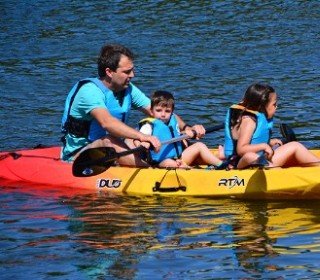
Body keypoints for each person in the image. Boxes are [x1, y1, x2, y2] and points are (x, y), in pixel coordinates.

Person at [61, 44, 205, 166]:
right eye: (127, 71)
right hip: (80, 154)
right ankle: (152, 168)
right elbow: (107, 123)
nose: (132, 75)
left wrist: (186, 128)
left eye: (132, 70)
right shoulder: (90, 91)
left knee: (142, 133)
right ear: (109, 72)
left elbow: (156, 111)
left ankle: (178, 158)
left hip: (113, 150)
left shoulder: (127, 88)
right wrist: (143, 137)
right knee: (113, 140)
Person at [224, 83, 320, 169]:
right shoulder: (248, 121)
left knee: (295, 146)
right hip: (242, 163)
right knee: (250, 156)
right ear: (261, 106)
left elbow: (253, 141)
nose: (276, 106)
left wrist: (270, 142)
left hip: (261, 159)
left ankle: (317, 167)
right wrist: (264, 146)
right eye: (274, 104)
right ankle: (275, 173)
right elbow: (241, 149)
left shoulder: (256, 118)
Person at [134, 90, 226, 169]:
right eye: (158, 110)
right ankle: (187, 169)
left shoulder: (173, 121)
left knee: (199, 145)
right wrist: (142, 144)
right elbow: (138, 139)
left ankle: (221, 165)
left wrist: (186, 135)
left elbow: (177, 135)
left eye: (167, 111)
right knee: (170, 163)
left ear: (172, 111)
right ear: (151, 111)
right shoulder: (148, 126)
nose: (163, 114)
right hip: (160, 161)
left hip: (179, 157)